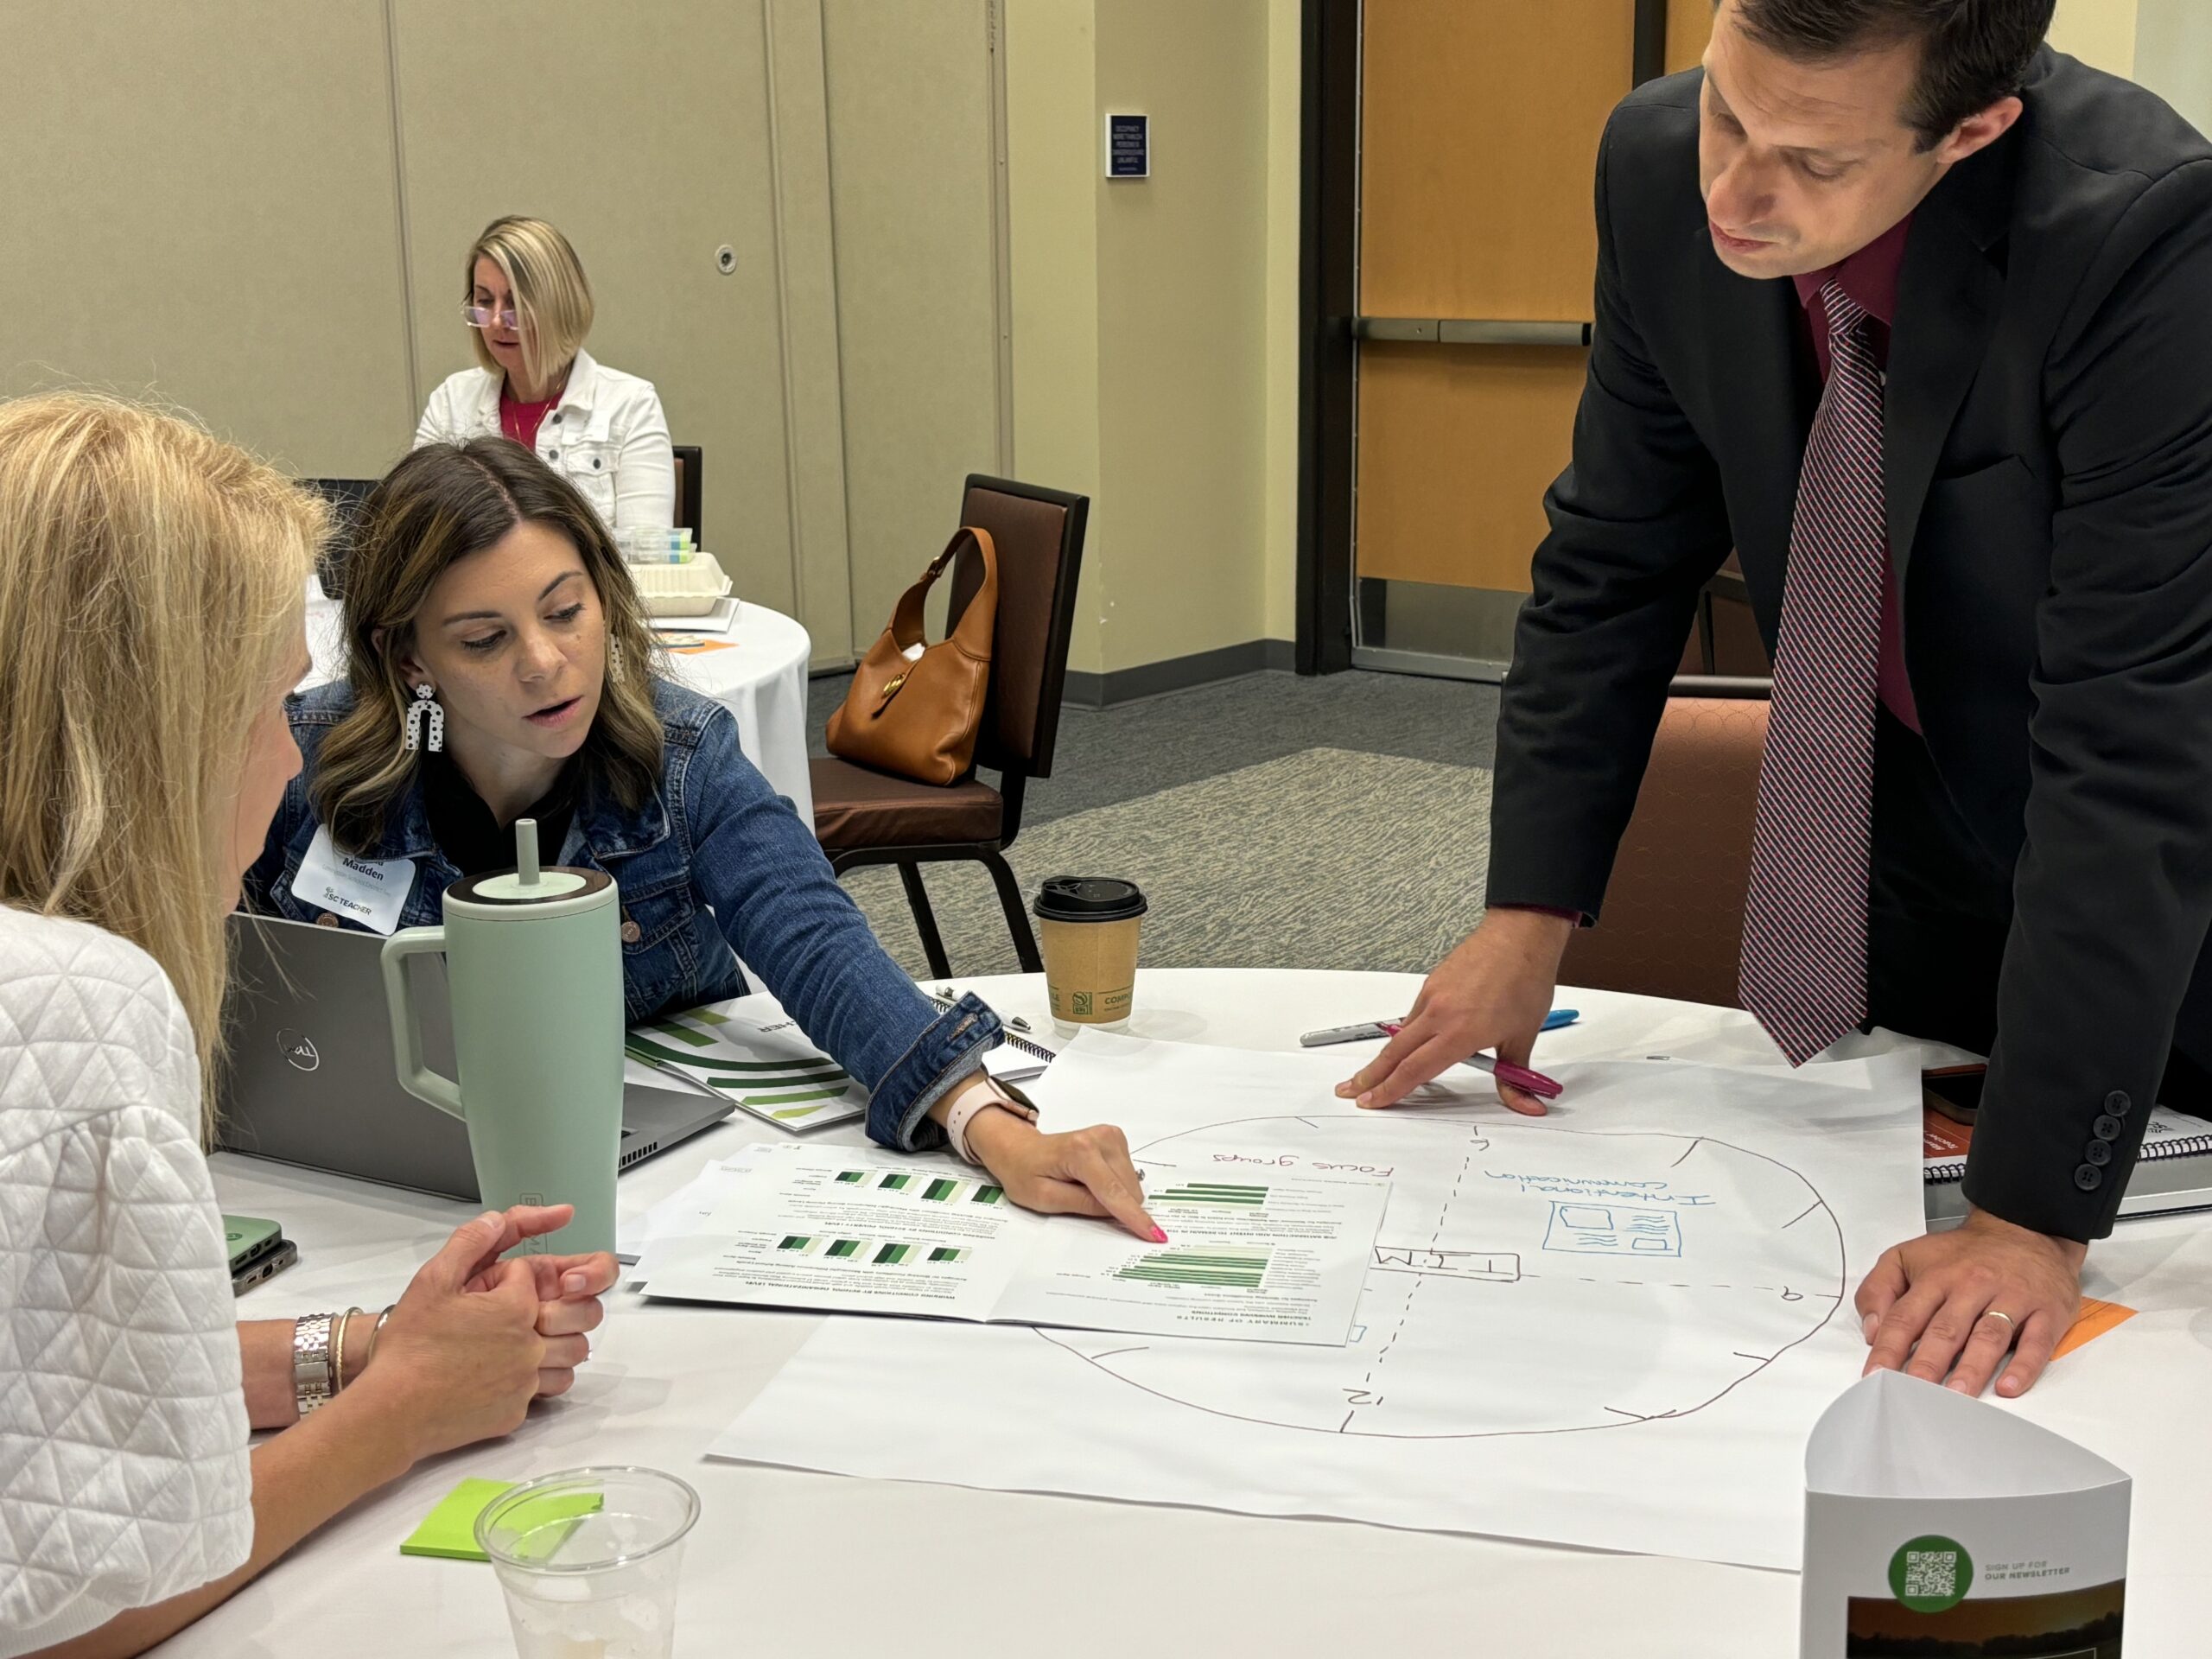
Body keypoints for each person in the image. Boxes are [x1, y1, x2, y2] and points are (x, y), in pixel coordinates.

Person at [1341, 0, 2212, 1402]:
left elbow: (2136, 747)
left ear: (1975, 129)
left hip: (2158, 912)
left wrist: (2033, 1216)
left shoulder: (2141, 236)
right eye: (1730, 113)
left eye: (1813, 161)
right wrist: (1528, 914)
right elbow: (1615, 558)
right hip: (1914, 840)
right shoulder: (1651, 163)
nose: (1737, 192)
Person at [0, 393, 619, 1657]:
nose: (287, 764)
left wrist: (366, 1350)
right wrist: (397, 1412)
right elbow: (83, 1605)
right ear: (153, 731)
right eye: (264, 708)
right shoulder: (69, 1005)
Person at [246, 438, 1160, 1241]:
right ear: (410, 659)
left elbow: (810, 933)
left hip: (642, 1179)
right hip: (366, 1191)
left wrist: (989, 1128)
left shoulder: (680, 754)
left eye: (566, 611)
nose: (544, 661)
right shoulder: (303, 762)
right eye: (485, 639)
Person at [414, 215, 675, 534]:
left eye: (515, 303)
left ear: (557, 306)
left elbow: (644, 557)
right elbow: (417, 533)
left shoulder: (630, 405)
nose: (496, 322)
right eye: (484, 301)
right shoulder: (451, 402)